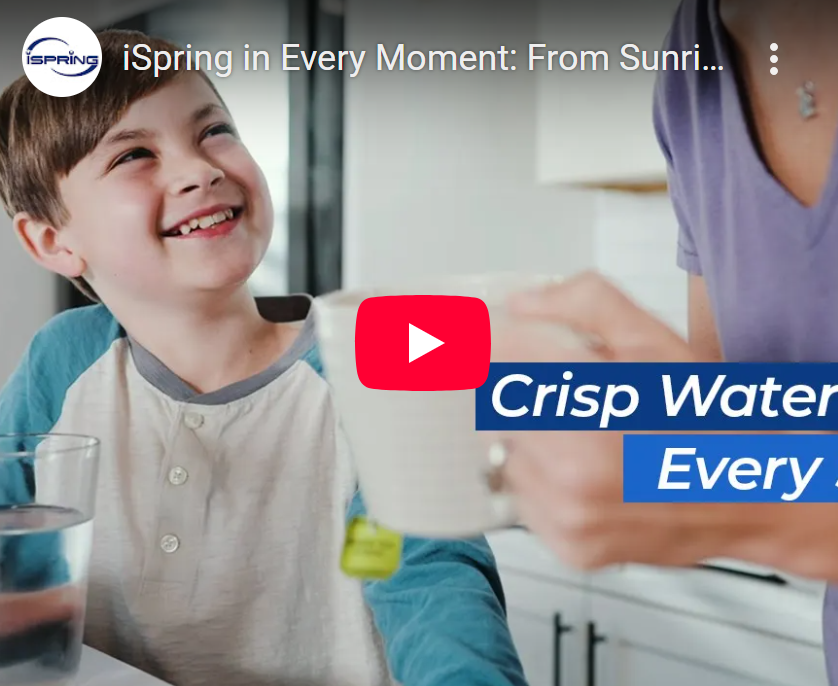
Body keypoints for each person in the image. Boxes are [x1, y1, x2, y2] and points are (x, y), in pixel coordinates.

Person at [0, 30, 527, 686]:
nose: (200, 169)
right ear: (51, 240)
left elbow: (428, 581)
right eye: (135, 153)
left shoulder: (371, 366)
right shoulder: (64, 361)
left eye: (214, 129)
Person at [484, 0, 838, 681]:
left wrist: (767, 508)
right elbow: (766, 424)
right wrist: (637, 422)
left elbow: (776, 487)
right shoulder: (691, 64)